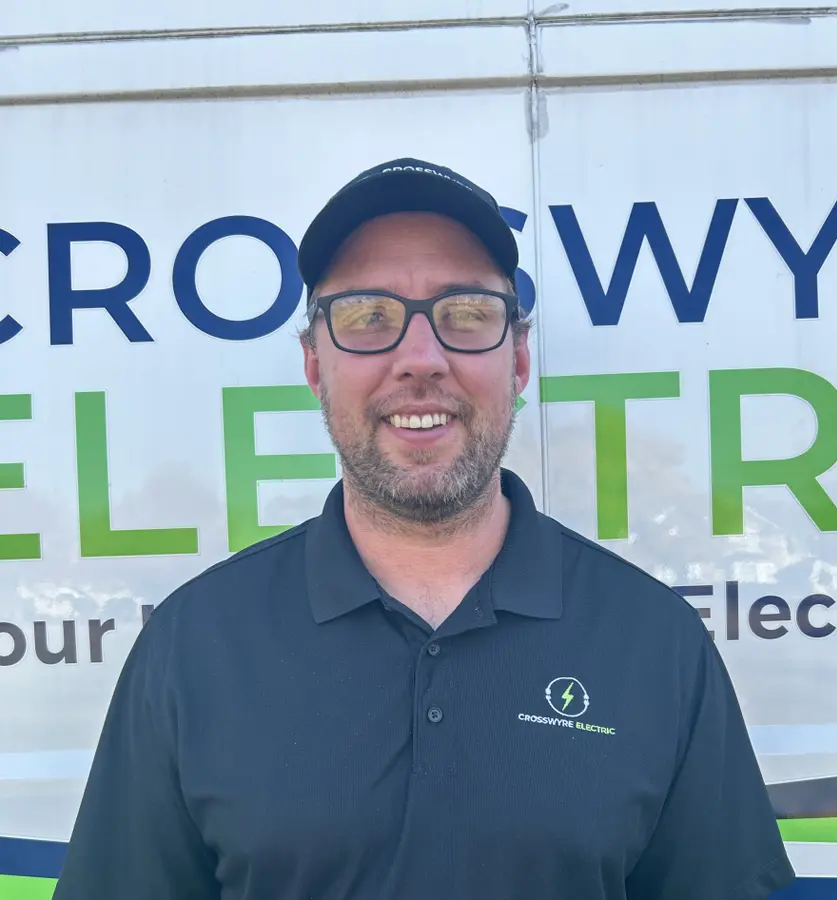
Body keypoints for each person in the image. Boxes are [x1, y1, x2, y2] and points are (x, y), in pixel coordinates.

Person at [52, 158, 796, 900]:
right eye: (367, 317)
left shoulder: (653, 642)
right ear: (314, 365)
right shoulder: (194, 647)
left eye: (465, 314)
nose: (420, 359)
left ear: (518, 360)